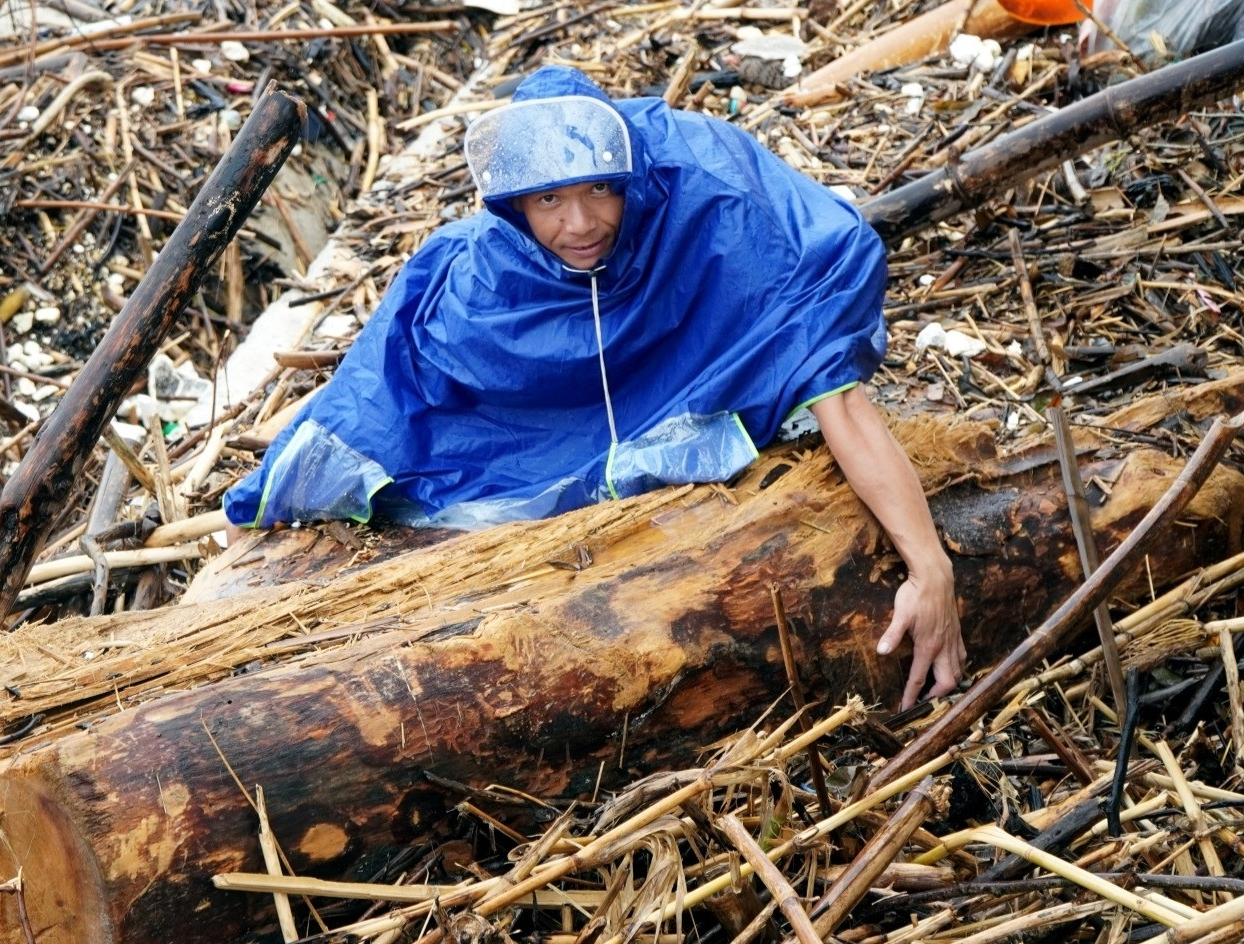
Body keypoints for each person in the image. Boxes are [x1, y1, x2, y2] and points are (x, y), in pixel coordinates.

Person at [220, 66, 964, 710]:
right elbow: (380, 394)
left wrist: (930, 567)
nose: (580, 224)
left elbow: (827, 376)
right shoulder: (478, 280)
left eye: (601, 190)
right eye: (549, 201)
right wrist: (281, 495)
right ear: (512, 205)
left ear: (630, 179)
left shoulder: (711, 205)